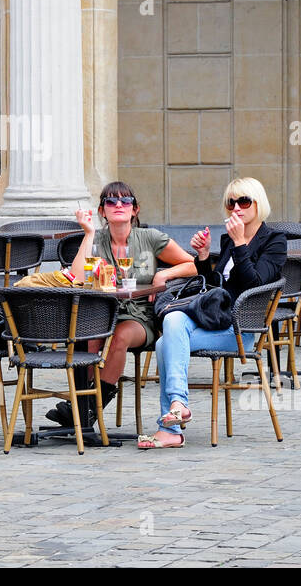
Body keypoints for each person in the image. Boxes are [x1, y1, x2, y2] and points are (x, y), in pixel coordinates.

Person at [138, 176, 287, 449]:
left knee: (164, 342)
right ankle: (177, 408)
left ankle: (170, 427)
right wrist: (204, 257)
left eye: (244, 201)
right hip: (214, 321)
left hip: (241, 330)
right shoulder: (229, 239)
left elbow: (255, 283)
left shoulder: (274, 241)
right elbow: (214, 288)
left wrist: (241, 244)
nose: (236, 208)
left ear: (258, 203)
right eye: (231, 203)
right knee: (170, 326)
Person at [45, 180, 194, 429]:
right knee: (89, 335)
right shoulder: (98, 240)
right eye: (110, 201)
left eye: (125, 201)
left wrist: (163, 275)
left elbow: (190, 264)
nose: (118, 205)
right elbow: (78, 278)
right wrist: (89, 233)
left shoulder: (150, 238)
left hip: (140, 317)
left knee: (118, 337)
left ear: (134, 209)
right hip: (101, 313)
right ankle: (83, 407)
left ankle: (89, 407)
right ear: (102, 211)